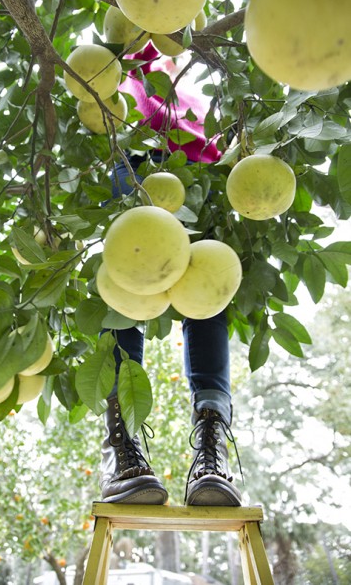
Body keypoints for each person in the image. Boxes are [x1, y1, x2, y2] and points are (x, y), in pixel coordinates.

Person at [99, 43, 242, 507]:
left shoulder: (197, 101)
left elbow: (218, 151)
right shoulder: (130, 68)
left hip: (195, 178)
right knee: (125, 288)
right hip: (134, 165)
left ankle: (210, 447)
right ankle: (123, 449)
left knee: (207, 302)